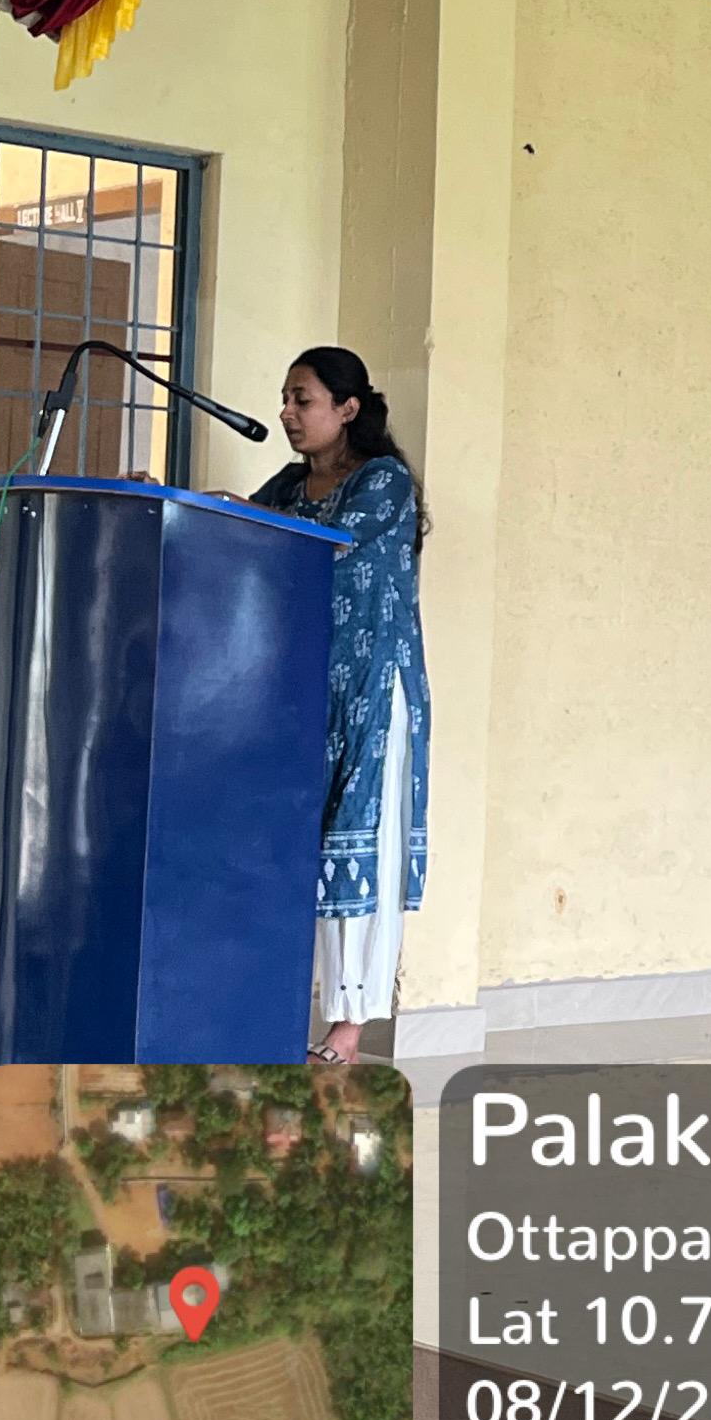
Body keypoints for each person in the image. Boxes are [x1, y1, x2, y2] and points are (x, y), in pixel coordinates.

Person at [251, 347, 429, 1064]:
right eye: (286, 399)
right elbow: (245, 536)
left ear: (348, 408)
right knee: (297, 848)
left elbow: (323, 547)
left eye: (303, 399)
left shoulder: (382, 482)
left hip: (371, 694)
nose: (287, 413)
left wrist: (239, 516)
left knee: (358, 847)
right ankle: (273, 1006)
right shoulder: (290, 483)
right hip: (302, 691)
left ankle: (348, 1027)